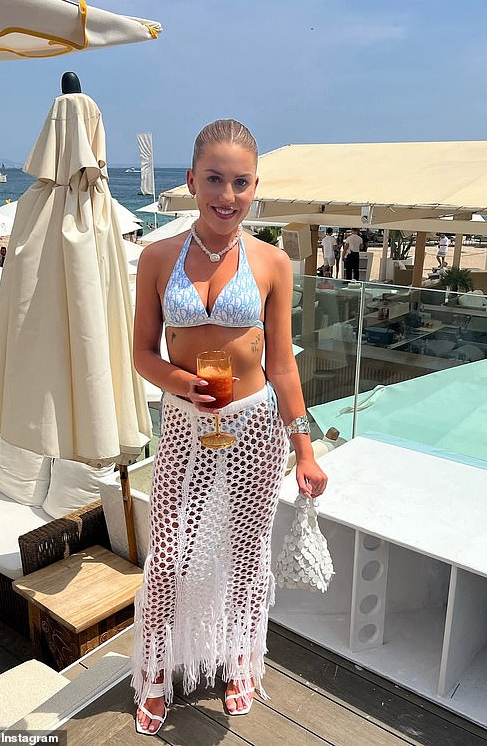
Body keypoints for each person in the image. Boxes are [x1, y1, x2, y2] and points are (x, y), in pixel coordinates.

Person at [132, 119, 328, 735]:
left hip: (253, 425)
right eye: (214, 179)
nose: (227, 194)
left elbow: (282, 362)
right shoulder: (158, 257)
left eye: (240, 182)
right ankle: (157, 670)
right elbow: (141, 353)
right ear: (191, 181)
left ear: (254, 188)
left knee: (244, 553)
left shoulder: (272, 262)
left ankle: (240, 658)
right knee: (171, 553)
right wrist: (177, 384)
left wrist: (305, 448)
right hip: (189, 426)